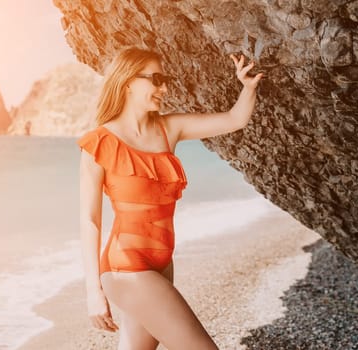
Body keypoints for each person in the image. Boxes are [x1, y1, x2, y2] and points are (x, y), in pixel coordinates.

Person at [76, 47, 263, 350]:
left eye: (165, 80)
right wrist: (92, 291)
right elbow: (89, 220)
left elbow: (235, 119)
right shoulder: (99, 143)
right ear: (128, 82)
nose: (164, 88)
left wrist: (248, 86)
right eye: (156, 79)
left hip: (162, 263)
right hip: (126, 267)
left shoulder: (169, 129)